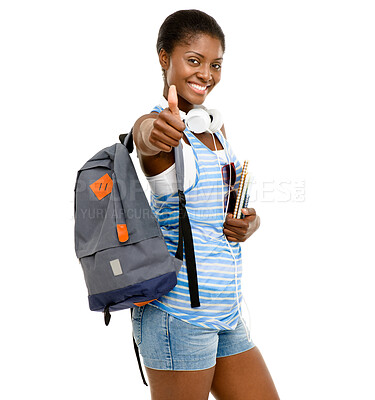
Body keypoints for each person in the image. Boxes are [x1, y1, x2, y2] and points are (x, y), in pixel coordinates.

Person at [131, 9, 280, 400]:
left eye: (215, 64)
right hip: (178, 314)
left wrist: (250, 223)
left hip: (226, 312)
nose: (206, 74)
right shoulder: (163, 127)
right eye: (193, 61)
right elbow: (145, 136)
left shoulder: (214, 128)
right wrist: (147, 128)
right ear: (165, 58)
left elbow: (231, 208)